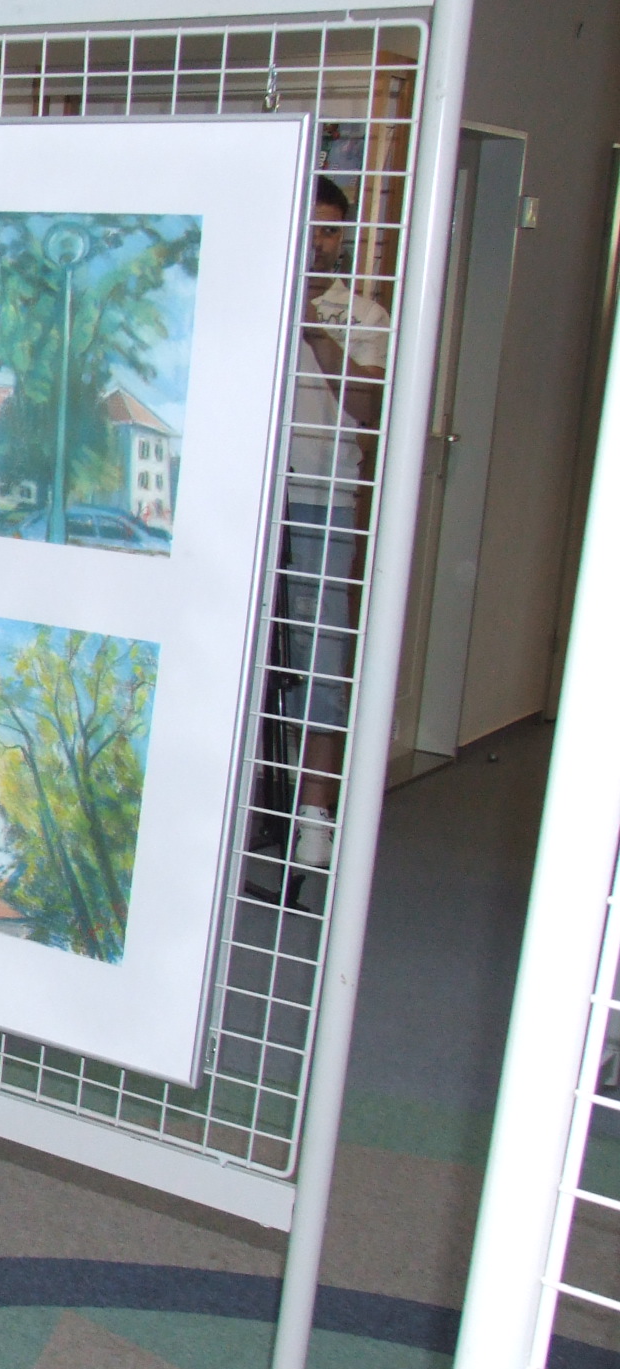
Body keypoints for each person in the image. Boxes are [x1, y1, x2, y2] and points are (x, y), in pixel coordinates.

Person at [269, 172, 386, 878]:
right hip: (252, 504)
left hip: (325, 499)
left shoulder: (363, 314)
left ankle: (313, 816)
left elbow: (367, 409)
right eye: (309, 225)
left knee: (321, 656)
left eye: (331, 229)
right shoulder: (256, 293)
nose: (319, 241)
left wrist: (314, 329)